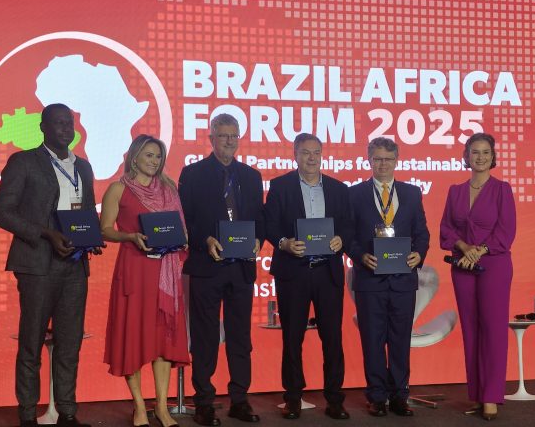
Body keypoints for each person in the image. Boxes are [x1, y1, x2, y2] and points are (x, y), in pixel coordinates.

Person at [0, 103, 100, 427]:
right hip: (37, 264)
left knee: (69, 344)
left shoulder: (83, 167)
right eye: (59, 123)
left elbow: (85, 211)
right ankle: (27, 415)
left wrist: (91, 237)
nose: (66, 128)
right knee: (32, 343)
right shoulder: (24, 161)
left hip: (75, 266)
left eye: (70, 123)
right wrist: (46, 233)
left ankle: (67, 412)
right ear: (42, 127)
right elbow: (2, 213)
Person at [178, 113, 264, 426]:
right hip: (207, 266)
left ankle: (239, 400)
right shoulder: (193, 173)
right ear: (211, 138)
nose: (229, 141)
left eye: (234, 135)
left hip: (241, 269)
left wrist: (259, 239)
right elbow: (184, 219)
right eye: (223, 135)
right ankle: (204, 402)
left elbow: (260, 218)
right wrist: (205, 239)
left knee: (241, 337)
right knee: (205, 338)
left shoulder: (251, 176)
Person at [101, 135, 190, 427]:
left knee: (162, 339)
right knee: (133, 337)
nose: (154, 161)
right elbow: (105, 230)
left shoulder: (169, 188)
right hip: (135, 270)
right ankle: (139, 406)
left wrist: (183, 239)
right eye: (149, 155)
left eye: (158, 156)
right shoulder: (118, 189)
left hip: (166, 274)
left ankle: (162, 407)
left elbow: (180, 227)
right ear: (134, 156)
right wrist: (129, 236)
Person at [264, 133, 353, 420]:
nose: (311, 158)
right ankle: (293, 398)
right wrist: (284, 243)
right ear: (295, 154)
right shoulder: (280, 186)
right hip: (293, 272)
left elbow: (349, 226)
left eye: (316, 152)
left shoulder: (339, 189)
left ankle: (335, 399)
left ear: (322, 155)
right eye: (305, 152)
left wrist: (342, 239)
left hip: (328, 272)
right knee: (292, 338)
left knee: (333, 338)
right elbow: (269, 225)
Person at [347, 137, 429, 417]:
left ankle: (399, 396)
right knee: (372, 341)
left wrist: (419, 254)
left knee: (400, 340)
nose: (383, 164)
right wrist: (360, 256)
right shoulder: (354, 194)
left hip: (403, 280)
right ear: (369, 160)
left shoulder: (412, 193)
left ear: (397, 161)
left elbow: (422, 233)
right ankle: (377, 397)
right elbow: (348, 236)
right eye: (378, 159)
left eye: (388, 159)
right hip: (369, 280)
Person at [439, 132, 516, 421]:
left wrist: (479, 251)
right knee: (471, 331)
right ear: (466, 156)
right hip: (462, 266)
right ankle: (478, 394)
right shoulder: (455, 191)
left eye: (485, 152)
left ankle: (492, 396)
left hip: (494, 266)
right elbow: (446, 229)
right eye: (475, 152)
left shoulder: (502, 190)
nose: (480, 157)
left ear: (492, 157)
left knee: (493, 331)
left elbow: (506, 231)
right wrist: (464, 248)